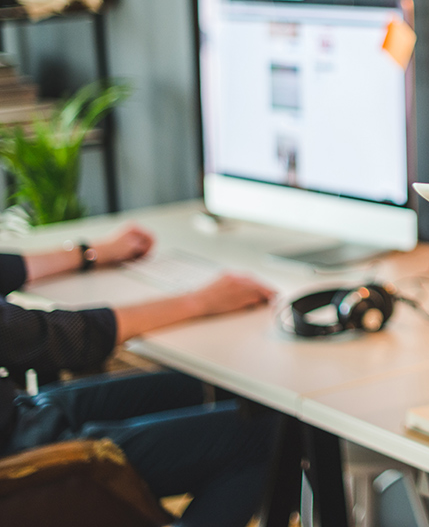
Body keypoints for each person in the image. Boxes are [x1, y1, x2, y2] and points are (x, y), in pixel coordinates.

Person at [1, 222, 279, 527]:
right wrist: (198, 302)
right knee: (267, 433)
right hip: (23, 462)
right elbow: (61, 339)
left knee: (207, 386)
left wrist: (90, 253)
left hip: (19, 415)